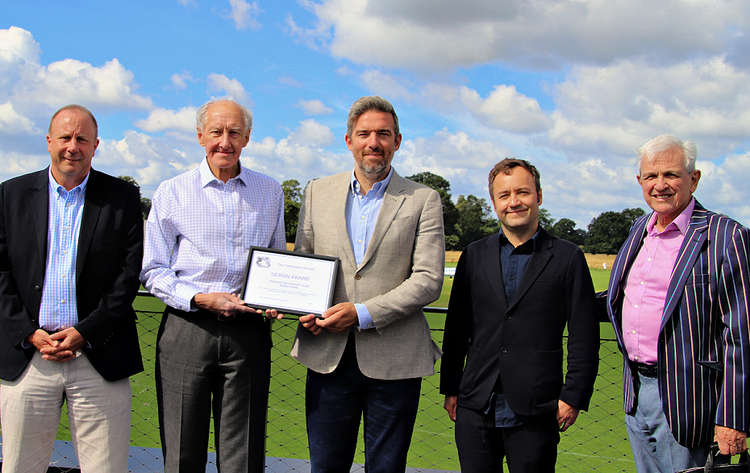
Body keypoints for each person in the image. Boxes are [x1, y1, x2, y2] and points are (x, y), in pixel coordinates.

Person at [290, 95, 445, 473]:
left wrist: (361, 313)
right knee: (326, 467)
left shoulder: (424, 199)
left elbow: (428, 280)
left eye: (383, 134)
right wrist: (305, 309)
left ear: (397, 141)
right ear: (349, 141)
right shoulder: (316, 192)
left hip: (395, 361)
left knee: (387, 468)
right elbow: (304, 266)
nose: (373, 142)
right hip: (327, 355)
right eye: (364, 134)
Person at [140, 99, 285, 473]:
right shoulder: (172, 191)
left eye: (234, 132)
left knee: (244, 455)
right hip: (187, 328)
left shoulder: (270, 192)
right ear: (200, 135)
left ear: (248, 137)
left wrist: (275, 297)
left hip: (248, 333)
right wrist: (201, 298)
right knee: (182, 453)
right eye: (217, 132)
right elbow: (153, 269)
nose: (225, 141)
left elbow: (276, 262)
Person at [0, 104, 144, 472]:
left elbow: (127, 278)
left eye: (82, 139)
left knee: (105, 468)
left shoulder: (122, 198)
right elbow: (0, 274)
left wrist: (85, 332)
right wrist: (28, 333)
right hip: (29, 356)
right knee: (19, 466)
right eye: (65, 137)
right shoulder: (10, 196)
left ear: (96, 145)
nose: (72, 146)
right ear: (49, 141)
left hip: (99, 357)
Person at [440, 158, 600, 473]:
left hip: (536, 408)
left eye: (523, 193)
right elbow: (457, 327)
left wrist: (573, 395)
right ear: (494, 202)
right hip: (476, 403)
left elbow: (584, 334)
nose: (514, 202)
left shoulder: (568, 258)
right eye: (505, 195)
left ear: (538, 195)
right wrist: (451, 387)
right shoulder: (474, 255)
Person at [605, 135, 750, 472]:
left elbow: (742, 334)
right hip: (637, 391)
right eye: (651, 177)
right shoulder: (639, 228)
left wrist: (733, 416)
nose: (660, 185)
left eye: (670, 175)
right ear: (639, 181)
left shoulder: (725, 237)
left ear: (693, 179)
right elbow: (627, 298)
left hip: (689, 399)